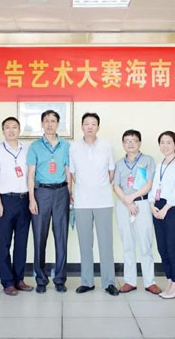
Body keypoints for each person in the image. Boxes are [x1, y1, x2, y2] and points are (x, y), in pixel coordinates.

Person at [70, 112, 118, 296]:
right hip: (82, 202)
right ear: (82, 126)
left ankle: (109, 282)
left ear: (98, 127)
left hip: (103, 201)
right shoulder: (74, 147)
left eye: (93, 124)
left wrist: (98, 186)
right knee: (85, 244)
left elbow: (111, 173)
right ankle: (87, 282)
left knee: (106, 244)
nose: (90, 126)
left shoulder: (106, 146)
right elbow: (73, 173)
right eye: (86, 123)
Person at [27, 109, 71, 294]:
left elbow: (68, 170)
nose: (50, 124)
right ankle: (41, 279)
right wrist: (31, 198)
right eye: (46, 121)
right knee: (39, 236)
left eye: (53, 121)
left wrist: (70, 193)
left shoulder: (66, 145)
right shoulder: (35, 146)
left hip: (61, 192)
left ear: (58, 124)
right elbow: (30, 174)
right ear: (42, 124)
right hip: (41, 193)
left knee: (61, 237)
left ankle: (60, 279)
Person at [112, 130, 160, 295]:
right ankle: (130, 281)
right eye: (127, 141)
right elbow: (116, 185)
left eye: (134, 140)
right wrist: (126, 201)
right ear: (123, 144)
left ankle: (150, 282)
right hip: (123, 205)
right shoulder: (119, 163)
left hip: (142, 204)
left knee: (145, 244)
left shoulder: (148, 160)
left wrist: (132, 198)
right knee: (127, 244)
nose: (130, 143)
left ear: (139, 143)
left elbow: (149, 184)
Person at [0, 117, 33, 296]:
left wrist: (32, 199)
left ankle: (19, 279)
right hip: (6, 200)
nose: (11, 130)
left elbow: (31, 175)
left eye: (14, 127)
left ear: (19, 130)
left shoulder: (27, 149)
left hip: (24, 199)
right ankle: (7, 282)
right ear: (3, 131)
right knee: (4, 242)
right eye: (7, 127)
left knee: (21, 242)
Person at [149, 131, 175, 299]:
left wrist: (166, 208)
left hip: (173, 208)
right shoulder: (160, 164)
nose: (165, 146)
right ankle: (169, 279)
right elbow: (154, 187)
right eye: (162, 142)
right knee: (162, 247)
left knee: (173, 246)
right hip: (158, 206)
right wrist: (152, 204)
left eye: (169, 142)